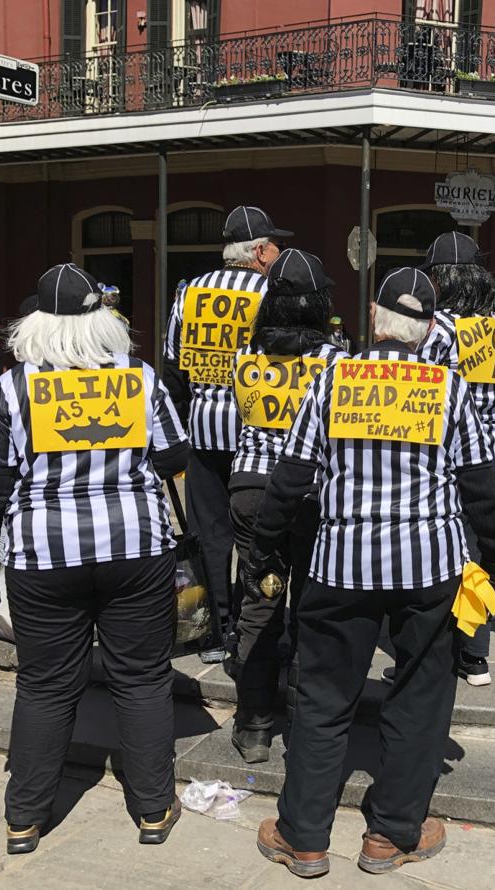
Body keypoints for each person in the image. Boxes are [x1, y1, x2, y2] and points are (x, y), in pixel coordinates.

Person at [241, 267, 495, 878]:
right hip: (428, 567)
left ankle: (303, 836)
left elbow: (291, 477)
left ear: (373, 317)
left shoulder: (333, 379)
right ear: (429, 328)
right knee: (419, 698)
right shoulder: (449, 387)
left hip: (341, 564)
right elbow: (481, 488)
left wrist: (263, 550)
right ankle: (391, 834)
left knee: (323, 698)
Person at [0, 263, 190, 854]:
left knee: (44, 686)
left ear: (36, 323)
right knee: (142, 680)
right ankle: (153, 809)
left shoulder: (11, 388)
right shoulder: (139, 378)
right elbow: (173, 458)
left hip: (43, 553)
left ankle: (24, 818)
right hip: (135, 546)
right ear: (102, 320)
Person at [227, 249, 346, 764]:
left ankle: (254, 726)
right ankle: (303, 724)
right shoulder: (339, 364)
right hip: (311, 495)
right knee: (312, 610)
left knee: (260, 603)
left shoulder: (244, 357)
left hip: (251, 490)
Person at [163, 205, 291, 663]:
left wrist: (181, 424)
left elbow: (173, 369)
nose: (279, 253)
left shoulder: (189, 292)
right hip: (256, 435)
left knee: (208, 535)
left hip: (202, 431)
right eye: (275, 246)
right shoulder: (271, 292)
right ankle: (249, 626)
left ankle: (213, 631)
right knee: (256, 538)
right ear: (259, 251)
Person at [417, 231, 495, 688]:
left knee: (438, 555)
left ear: (439, 280)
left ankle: (434, 652)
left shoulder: (437, 329)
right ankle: (476, 655)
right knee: (477, 555)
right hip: (489, 459)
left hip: (443, 458)